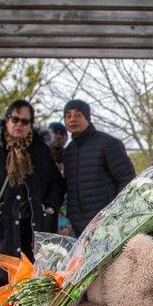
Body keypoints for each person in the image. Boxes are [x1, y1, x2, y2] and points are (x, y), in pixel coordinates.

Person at [0, 100, 65, 290]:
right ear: (6, 120)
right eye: (15, 119)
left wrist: (49, 207)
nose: (19, 124)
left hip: (32, 230)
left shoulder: (40, 149)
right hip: (0, 229)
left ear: (31, 125)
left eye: (25, 121)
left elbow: (57, 183)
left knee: (30, 290)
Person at [61, 99, 135, 236]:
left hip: (107, 223)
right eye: (68, 115)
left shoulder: (108, 144)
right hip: (77, 228)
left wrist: (116, 212)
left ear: (87, 118)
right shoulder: (68, 152)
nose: (72, 119)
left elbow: (126, 178)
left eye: (78, 115)